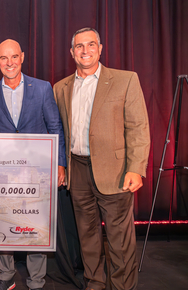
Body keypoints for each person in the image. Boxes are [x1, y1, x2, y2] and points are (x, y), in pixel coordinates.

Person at [53, 27, 150, 290]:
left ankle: (122, 287)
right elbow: (59, 131)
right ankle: (94, 283)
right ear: (72, 52)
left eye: (91, 45)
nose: (85, 51)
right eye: (79, 46)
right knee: (87, 236)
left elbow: (138, 127)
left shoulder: (125, 80)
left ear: (101, 48)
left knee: (120, 239)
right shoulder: (60, 88)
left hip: (116, 171)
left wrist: (136, 168)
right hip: (78, 169)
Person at [0, 39, 67, 290]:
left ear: (22, 57)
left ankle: (36, 280)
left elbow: (55, 127)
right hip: (4, 174)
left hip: (38, 171)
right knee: (2, 222)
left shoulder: (42, 89)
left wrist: (60, 164)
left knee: (36, 225)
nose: (10, 63)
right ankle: (5, 275)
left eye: (14, 57)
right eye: (4, 58)